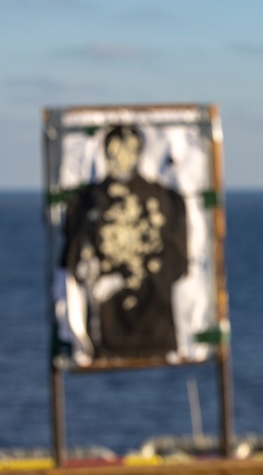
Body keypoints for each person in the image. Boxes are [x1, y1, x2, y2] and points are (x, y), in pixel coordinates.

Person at [62, 124, 189, 362]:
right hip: (107, 336)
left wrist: (122, 278)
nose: (120, 158)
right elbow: (73, 264)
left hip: (156, 329)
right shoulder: (87, 201)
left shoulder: (167, 201)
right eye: (115, 151)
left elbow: (179, 264)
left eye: (127, 150)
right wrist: (89, 272)